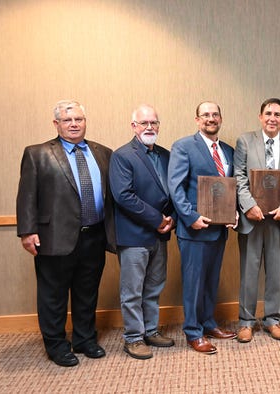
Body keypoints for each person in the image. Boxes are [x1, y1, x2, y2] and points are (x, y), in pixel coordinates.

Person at [16, 100, 114, 367]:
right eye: (68, 120)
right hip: (54, 237)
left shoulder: (103, 152)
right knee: (53, 295)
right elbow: (27, 195)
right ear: (56, 124)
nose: (74, 124)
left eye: (79, 119)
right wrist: (27, 231)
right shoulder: (37, 153)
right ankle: (57, 346)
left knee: (87, 291)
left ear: (85, 121)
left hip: (94, 235)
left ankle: (84, 339)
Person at [234, 98, 280, 342]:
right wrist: (249, 206)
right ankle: (246, 321)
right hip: (252, 218)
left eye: (277, 114)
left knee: (275, 272)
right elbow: (239, 176)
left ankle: (273, 319)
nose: (272, 118)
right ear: (260, 116)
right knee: (249, 271)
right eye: (268, 113)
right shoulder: (245, 141)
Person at [168, 101, 237, 354]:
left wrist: (234, 213)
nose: (211, 118)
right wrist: (190, 216)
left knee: (210, 280)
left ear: (221, 119)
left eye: (215, 114)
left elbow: (231, 187)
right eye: (205, 115)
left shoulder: (228, 150)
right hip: (194, 229)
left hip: (218, 230)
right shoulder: (184, 146)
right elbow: (175, 187)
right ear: (197, 120)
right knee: (193, 282)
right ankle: (193, 331)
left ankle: (208, 323)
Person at [109, 104, 176, 359]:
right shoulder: (123, 156)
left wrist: (171, 219)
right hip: (134, 235)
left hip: (160, 234)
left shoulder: (166, 155)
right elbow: (123, 196)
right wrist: (157, 219)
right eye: (144, 123)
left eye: (154, 123)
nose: (150, 127)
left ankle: (150, 330)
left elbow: (173, 192)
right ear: (133, 126)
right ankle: (133, 338)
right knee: (132, 290)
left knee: (154, 286)